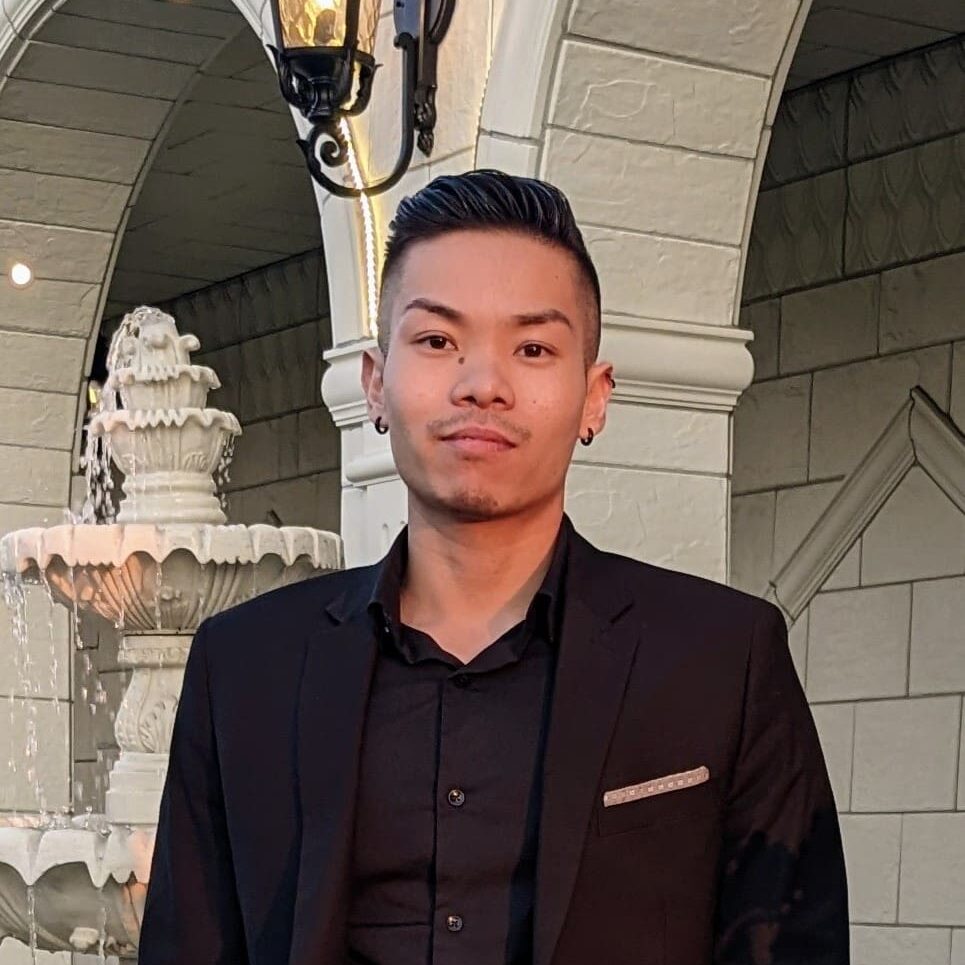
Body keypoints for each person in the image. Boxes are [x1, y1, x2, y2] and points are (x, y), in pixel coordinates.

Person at [139, 170, 849, 965]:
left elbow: (793, 946)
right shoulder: (243, 667)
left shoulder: (723, 658)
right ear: (376, 383)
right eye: (437, 340)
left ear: (593, 395)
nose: (482, 385)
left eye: (533, 348)